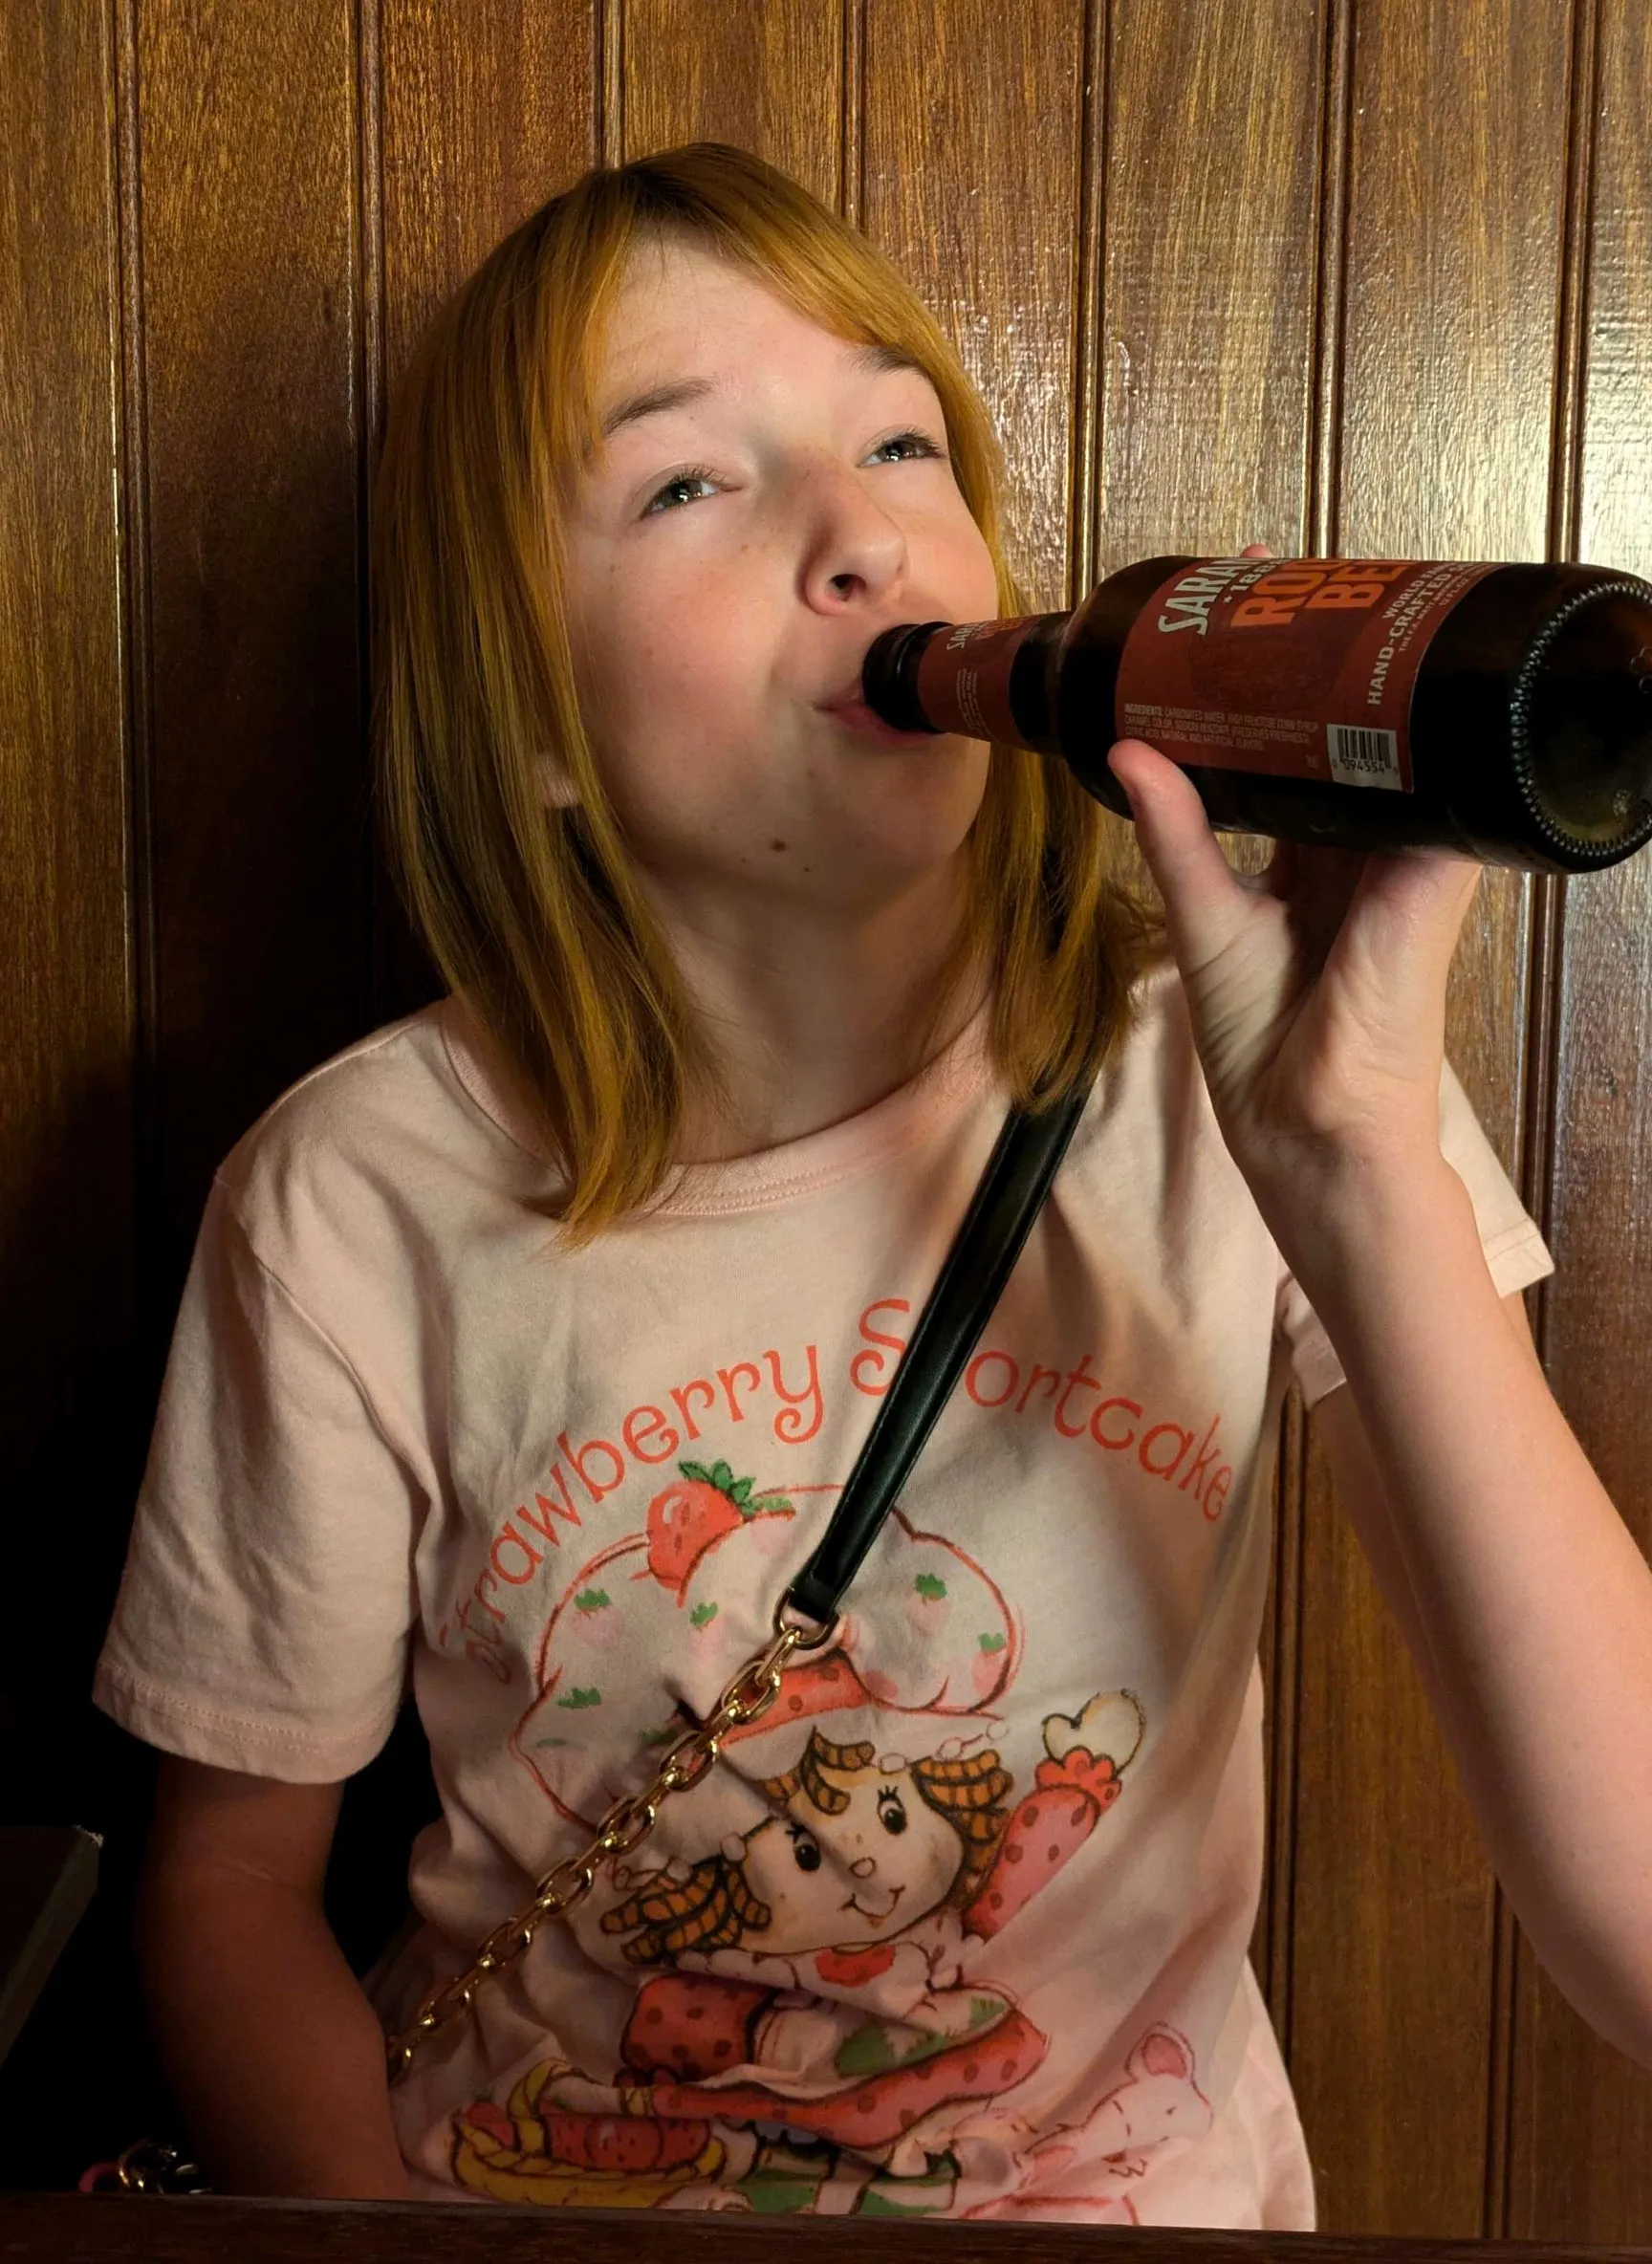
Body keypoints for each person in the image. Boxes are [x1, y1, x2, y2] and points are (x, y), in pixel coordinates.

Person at [91, 142, 1652, 2225]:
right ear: (533, 712)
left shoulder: (1237, 1077)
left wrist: (1353, 1151)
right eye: (685, 482)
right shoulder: (354, 1192)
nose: (858, 532)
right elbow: (226, 1885)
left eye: (897, 433)